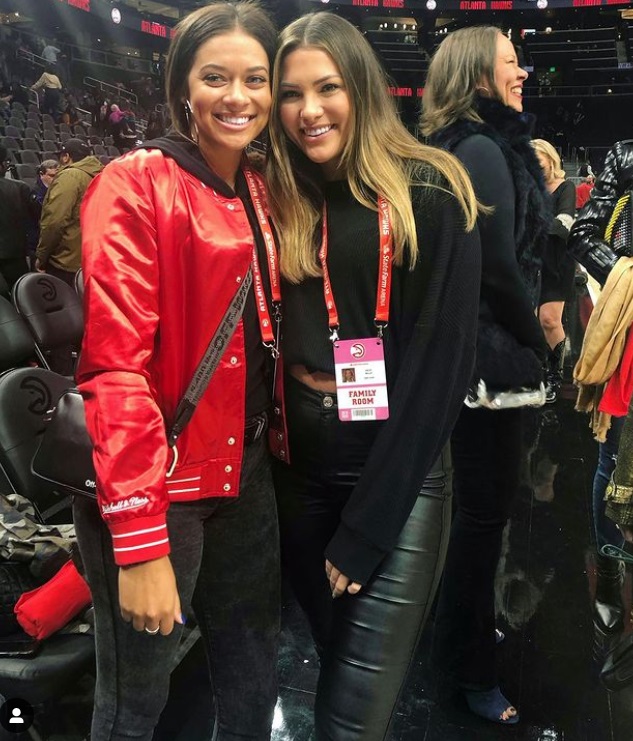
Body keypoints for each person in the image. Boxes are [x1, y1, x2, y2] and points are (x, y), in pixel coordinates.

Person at [266, 12, 480, 739]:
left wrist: (368, 525)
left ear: (360, 86)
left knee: (349, 721)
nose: (309, 109)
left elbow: (440, 367)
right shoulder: (275, 193)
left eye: (327, 87)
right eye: (290, 93)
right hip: (297, 472)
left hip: (397, 478)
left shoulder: (431, 189)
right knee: (334, 673)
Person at [73, 3, 280, 740]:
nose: (238, 96)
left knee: (253, 684)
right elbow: (113, 369)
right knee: (135, 703)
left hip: (246, 471)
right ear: (183, 87)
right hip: (162, 486)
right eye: (216, 76)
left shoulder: (260, 185)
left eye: (255, 78)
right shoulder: (133, 184)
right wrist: (139, 541)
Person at [421, 26, 550, 725]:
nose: (522, 73)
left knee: (475, 517)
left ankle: (461, 637)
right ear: (476, 75)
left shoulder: (464, 145)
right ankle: (467, 668)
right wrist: (539, 340)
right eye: (510, 63)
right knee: (480, 519)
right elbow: (499, 267)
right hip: (487, 363)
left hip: (471, 359)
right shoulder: (481, 147)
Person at [568, 140, 633, 644]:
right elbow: (585, 234)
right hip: (631, 330)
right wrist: (627, 277)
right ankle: (609, 573)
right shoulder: (626, 156)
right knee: (614, 458)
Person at [532, 139, 576, 403]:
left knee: (549, 320)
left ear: (550, 159)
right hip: (531, 263)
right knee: (531, 319)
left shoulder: (566, 187)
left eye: (538, 161)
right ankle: (536, 370)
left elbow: (564, 224)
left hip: (557, 263)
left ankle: (554, 377)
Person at [36, 139, 102, 288]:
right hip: (96, 257)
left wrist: (42, 256)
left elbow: (54, 222)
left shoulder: (69, 176)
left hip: (67, 262)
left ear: (66, 156)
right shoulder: (102, 173)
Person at [0, 145, 36, 288]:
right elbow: (35, 219)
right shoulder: (21, 188)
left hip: (14, 254)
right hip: (14, 255)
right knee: (20, 297)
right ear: (3, 164)